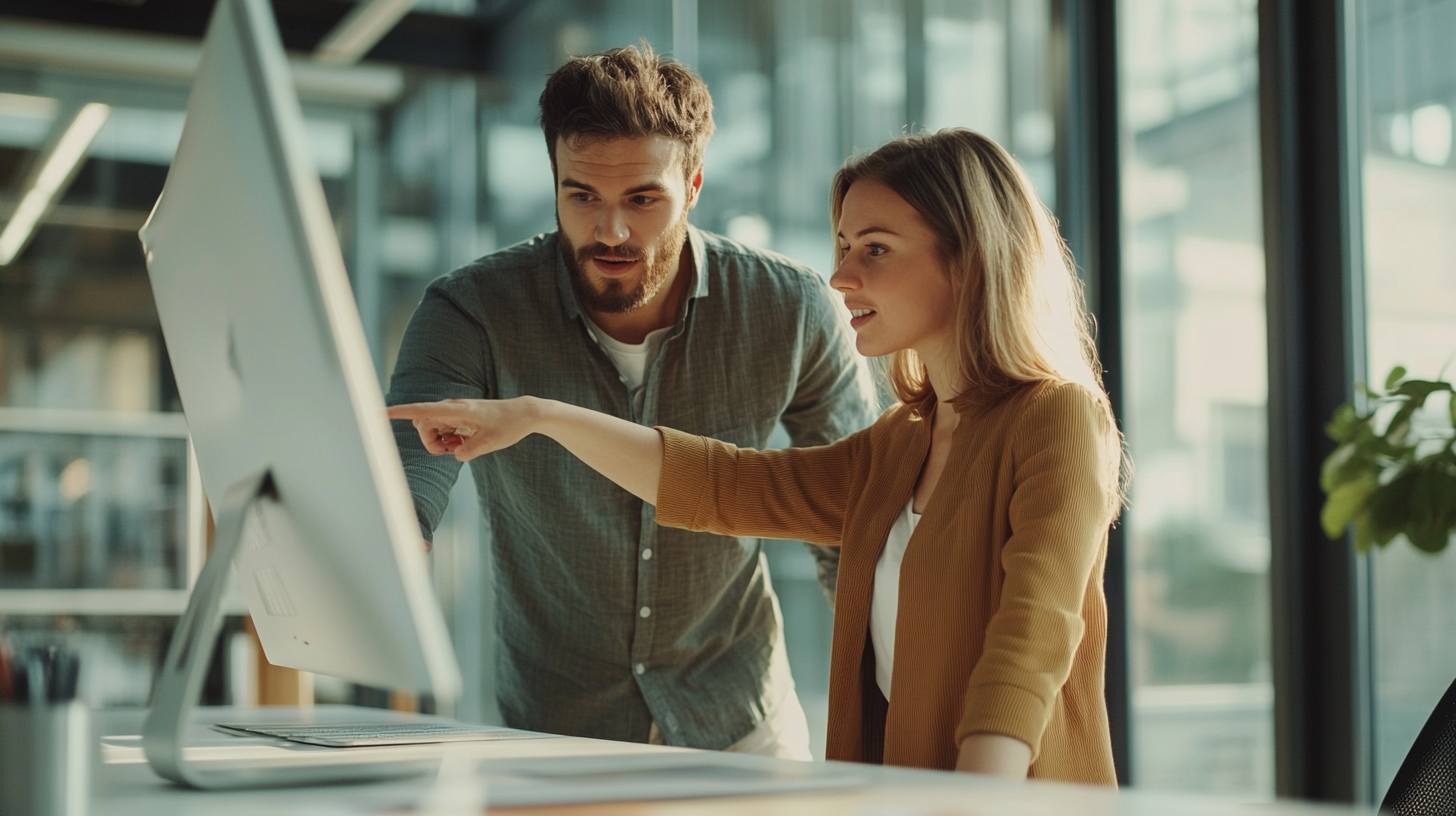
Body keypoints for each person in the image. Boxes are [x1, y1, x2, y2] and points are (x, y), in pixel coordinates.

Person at [390, 129, 1126, 784]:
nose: (841, 278)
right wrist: (539, 417)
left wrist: (972, 803)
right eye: (843, 248)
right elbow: (724, 483)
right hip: (906, 797)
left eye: (875, 249)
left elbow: (1031, 639)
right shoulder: (902, 440)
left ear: (968, 259)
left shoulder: (1056, 415)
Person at [384, 44, 875, 760]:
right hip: (552, 730)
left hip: (741, 720)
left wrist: (892, 702)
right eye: (582, 196)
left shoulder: (790, 309)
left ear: (696, 185)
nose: (609, 232)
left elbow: (852, 520)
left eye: (642, 200)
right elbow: (402, 486)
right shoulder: (472, 311)